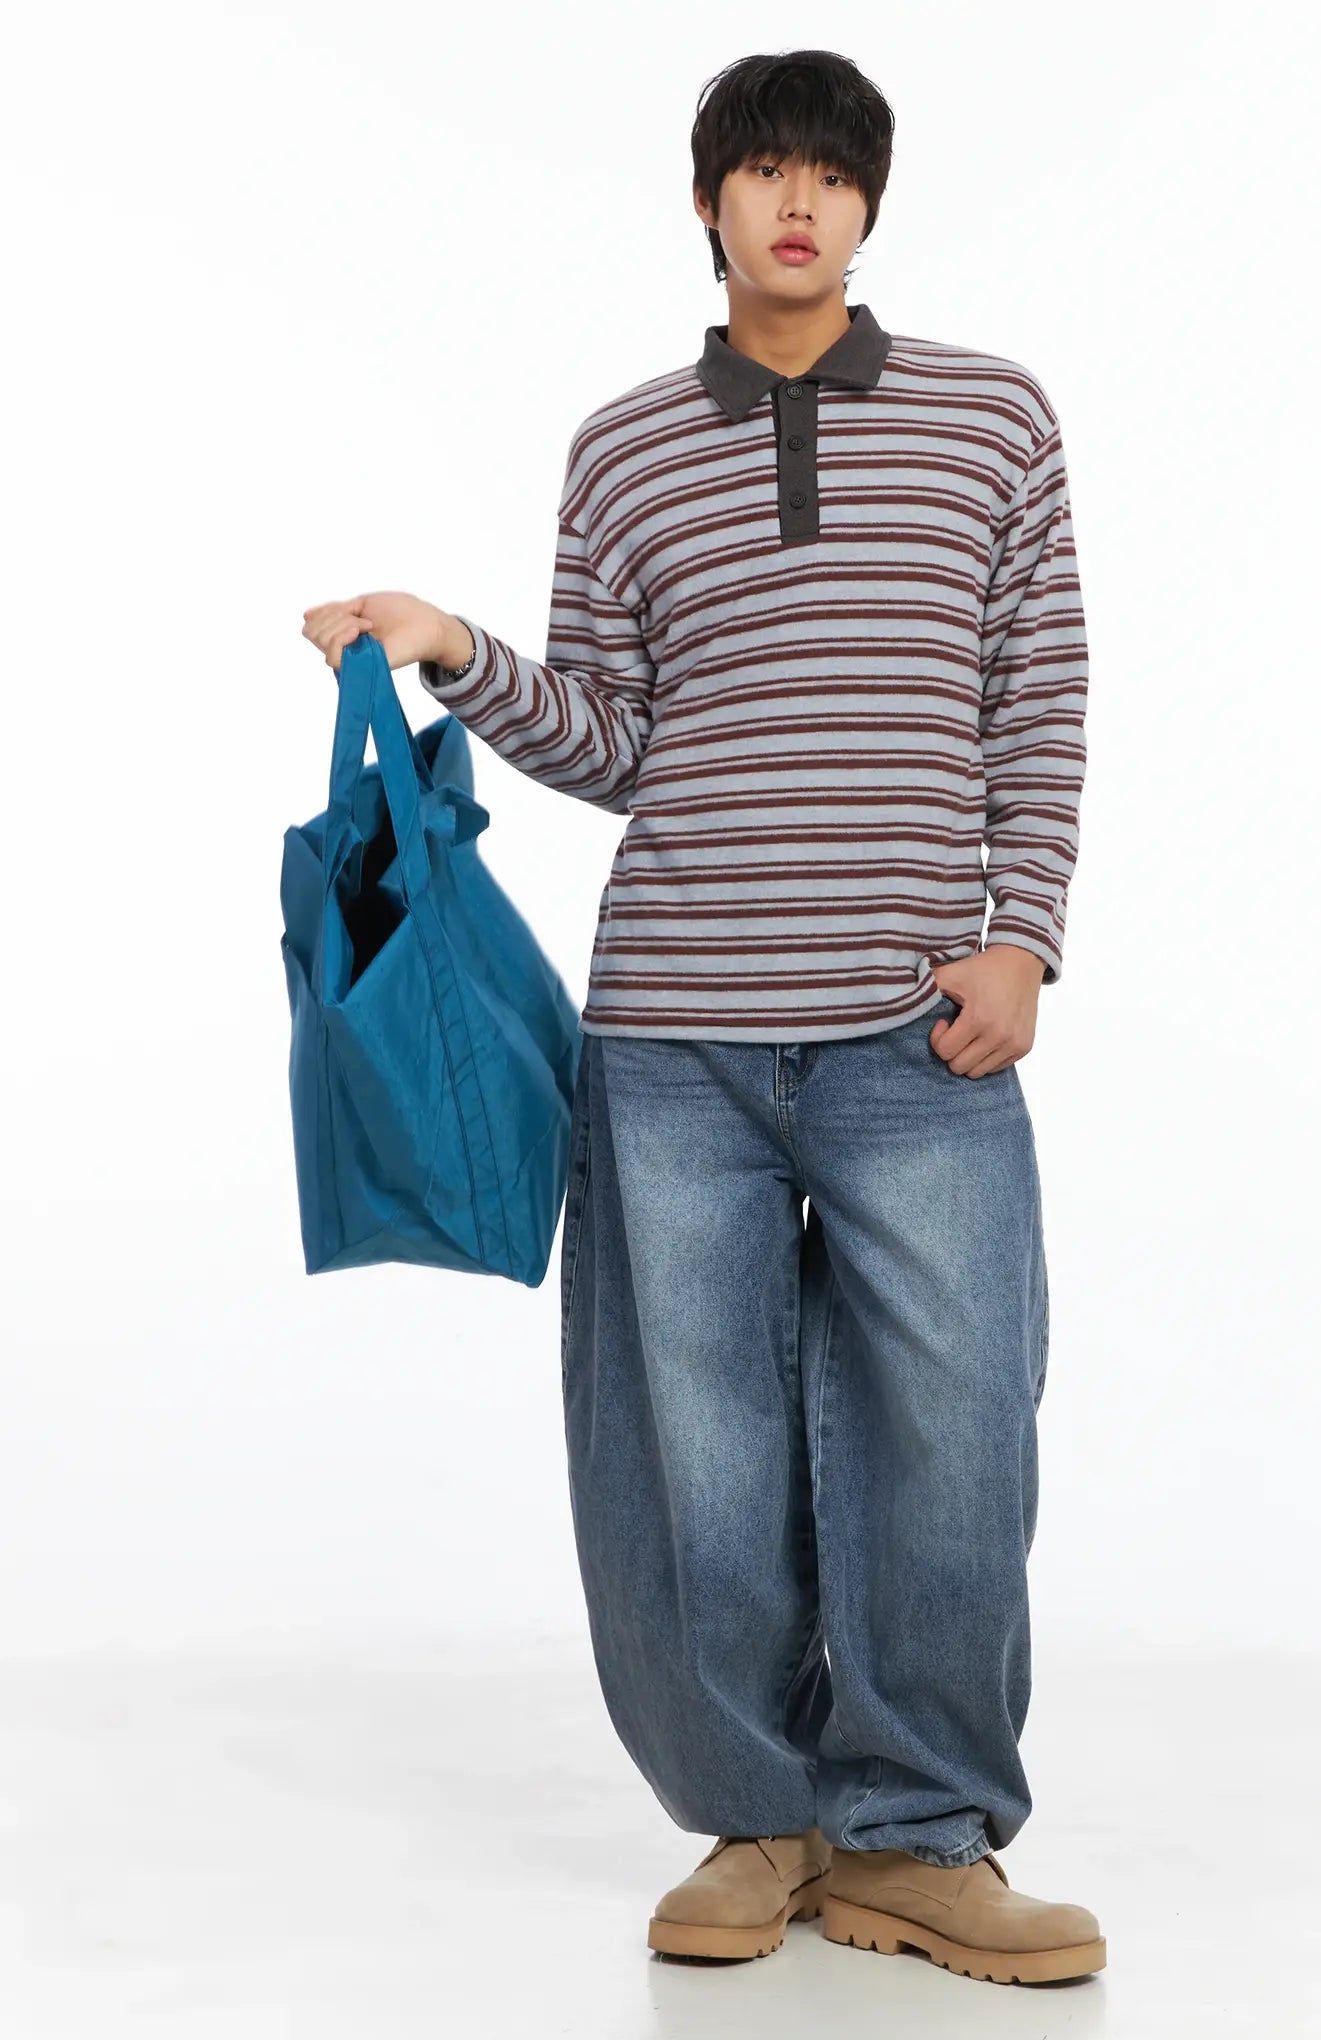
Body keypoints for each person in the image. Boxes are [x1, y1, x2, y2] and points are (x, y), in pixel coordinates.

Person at [302, 46, 1100, 1991]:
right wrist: (451, 649)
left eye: (830, 172)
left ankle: (918, 1837)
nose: (797, 201)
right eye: (763, 170)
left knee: (958, 1434)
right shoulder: (625, 450)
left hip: (919, 1036)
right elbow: (615, 737)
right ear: (708, 204)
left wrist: (1025, 938)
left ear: (871, 205)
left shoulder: (995, 420)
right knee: (693, 1454)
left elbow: (1040, 696)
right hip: (672, 1039)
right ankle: (758, 1818)